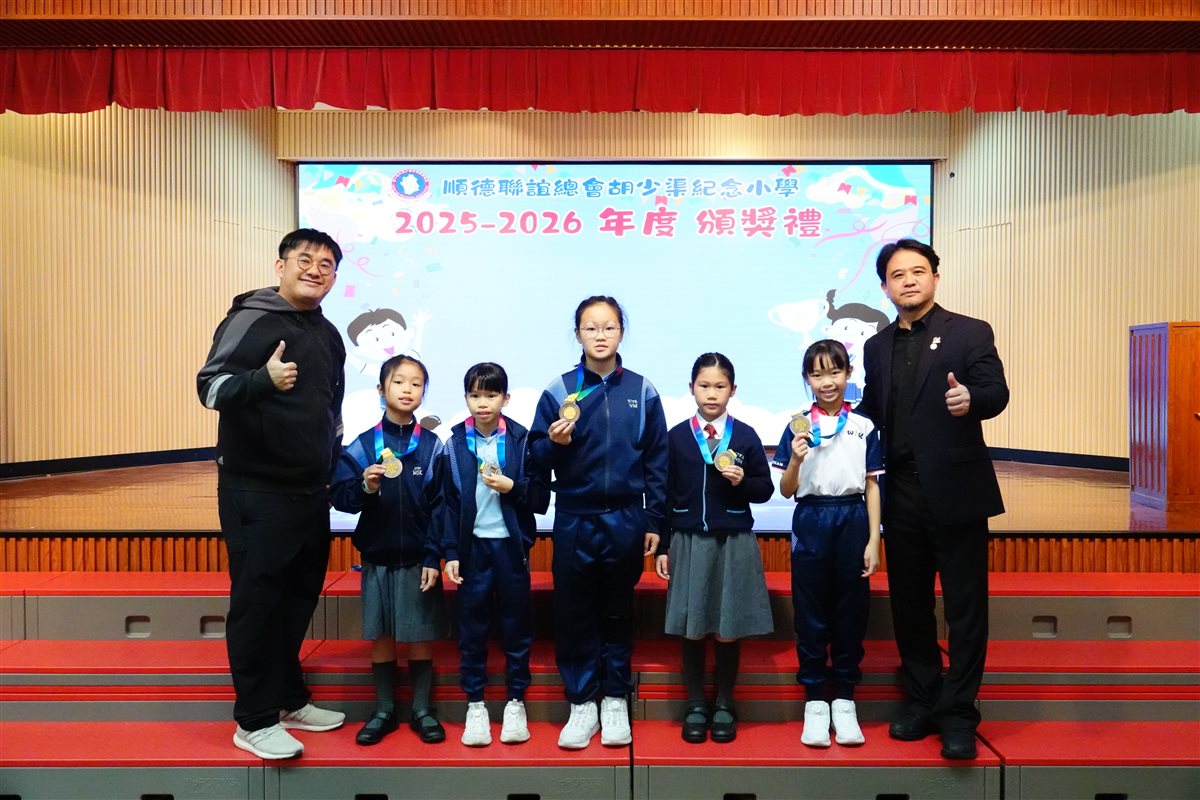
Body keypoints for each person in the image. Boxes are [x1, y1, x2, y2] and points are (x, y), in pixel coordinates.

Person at [197, 228, 348, 760]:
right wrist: (262, 379)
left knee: (296, 598)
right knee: (258, 604)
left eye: (326, 264)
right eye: (305, 259)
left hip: (310, 490)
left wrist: (333, 468)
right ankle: (255, 719)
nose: (315, 270)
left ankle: (287, 698)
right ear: (281, 265)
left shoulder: (328, 334)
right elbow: (210, 387)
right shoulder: (251, 318)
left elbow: (331, 411)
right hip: (256, 488)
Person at [857, 238, 1009, 761]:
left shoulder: (970, 331)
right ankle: (922, 700)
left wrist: (972, 399)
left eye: (918, 271)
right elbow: (872, 410)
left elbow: (996, 391)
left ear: (935, 278)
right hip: (900, 493)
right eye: (897, 275)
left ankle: (959, 712)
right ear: (885, 287)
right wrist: (827, 423)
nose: (909, 281)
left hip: (956, 491)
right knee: (911, 605)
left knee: (965, 608)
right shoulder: (876, 346)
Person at [531, 295, 668, 749]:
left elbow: (657, 461)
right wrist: (554, 444)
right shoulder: (559, 391)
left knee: (616, 611)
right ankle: (581, 704)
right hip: (575, 517)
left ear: (621, 332)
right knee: (574, 613)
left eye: (609, 327)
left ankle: (613, 699)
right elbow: (535, 457)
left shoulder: (643, 391)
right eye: (591, 328)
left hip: (626, 518)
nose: (600, 335)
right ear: (578, 335)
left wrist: (654, 520)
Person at [654, 353, 774, 744]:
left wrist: (742, 482)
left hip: (733, 541)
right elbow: (664, 493)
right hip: (689, 541)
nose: (711, 394)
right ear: (691, 388)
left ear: (732, 390)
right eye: (704, 386)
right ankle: (694, 703)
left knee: (727, 628)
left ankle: (724, 702)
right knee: (692, 628)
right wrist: (663, 545)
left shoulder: (745, 436)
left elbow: (764, 489)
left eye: (720, 386)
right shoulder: (676, 437)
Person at [329, 355, 448, 746]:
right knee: (381, 636)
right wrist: (365, 486)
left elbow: (442, 507)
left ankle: (421, 709)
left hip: (419, 559)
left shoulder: (431, 446)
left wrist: (433, 556)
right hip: (377, 557)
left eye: (416, 383)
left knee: (420, 635)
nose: (407, 389)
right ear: (381, 389)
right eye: (399, 382)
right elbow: (342, 498)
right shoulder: (364, 445)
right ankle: (383, 710)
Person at [773, 340, 883, 748]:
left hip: (852, 517)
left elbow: (872, 485)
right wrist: (796, 460)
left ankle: (845, 698)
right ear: (807, 379)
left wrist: (874, 539)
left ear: (848, 373)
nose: (827, 382)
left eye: (834, 372)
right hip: (812, 518)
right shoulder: (797, 426)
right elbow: (786, 490)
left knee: (851, 610)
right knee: (811, 611)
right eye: (817, 374)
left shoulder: (864, 426)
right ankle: (816, 699)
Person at [440, 363, 549, 746]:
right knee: (472, 631)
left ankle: (516, 702)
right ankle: (476, 705)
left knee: (516, 629)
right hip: (472, 550)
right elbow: (448, 504)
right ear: (466, 398)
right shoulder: (454, 444)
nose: (482, 403)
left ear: (506, 398)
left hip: (510, 548)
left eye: (491, 395)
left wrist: (511, 487)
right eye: (475, 395)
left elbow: (540, 498)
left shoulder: (522, 441)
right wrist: (451, 551)